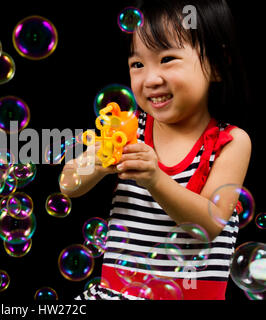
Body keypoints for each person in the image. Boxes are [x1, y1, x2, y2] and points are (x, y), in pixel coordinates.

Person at [63, 0, 251, 300]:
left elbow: (210, 224)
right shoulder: (125, 128)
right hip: (116, 293)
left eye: (167, 59)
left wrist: (155, 178)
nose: (150, 79)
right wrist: (97, 162)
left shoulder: (231, 141)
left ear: (215, 64)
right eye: (137, 64)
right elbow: (68, 183)